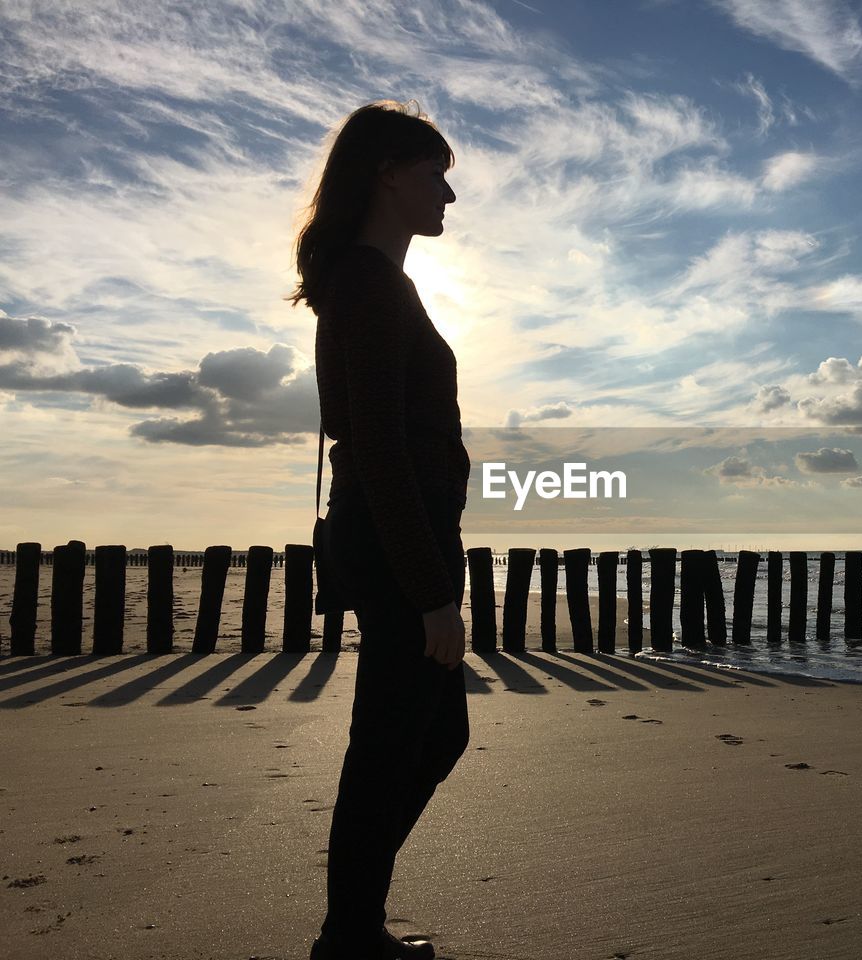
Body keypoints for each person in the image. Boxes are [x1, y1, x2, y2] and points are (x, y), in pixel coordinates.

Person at [288, 99, 470, 960]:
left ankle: (351, 924)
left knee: (424, 733)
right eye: (436, 173)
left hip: (407, 531)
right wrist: (432, 590)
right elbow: (383, 450)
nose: (448, 195)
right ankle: (349, 935)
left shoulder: (380, 283)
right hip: (398, 533)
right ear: (388, 173)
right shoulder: (365, 285)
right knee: (399, 739)